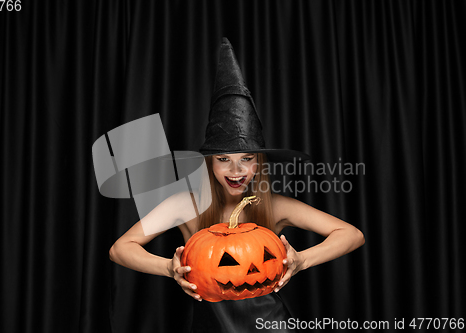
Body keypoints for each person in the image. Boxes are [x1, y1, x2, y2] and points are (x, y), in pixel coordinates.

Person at [108, 38, 365, 332]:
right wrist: (169, 268)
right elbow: (120, 249)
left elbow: (351, 234)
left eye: (247, 158)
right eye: (223, 159)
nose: (236, 170)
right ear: (209, 163)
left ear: (259, 163)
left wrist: (301, 260)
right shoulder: (186, 205)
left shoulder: (275, 206)